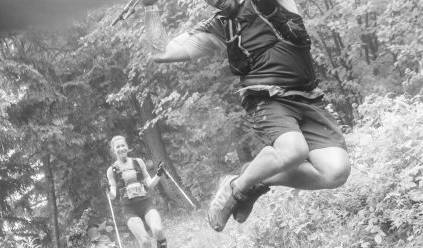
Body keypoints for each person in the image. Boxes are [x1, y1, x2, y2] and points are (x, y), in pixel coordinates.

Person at [147, 0, 351, 232]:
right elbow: (161, 52)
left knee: (336, 172)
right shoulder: (220, 26)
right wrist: (150, 7)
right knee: (294, 150)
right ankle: (235, 190)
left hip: (308, 96)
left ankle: (251, 179)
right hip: (265, 96)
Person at [104, 135, 172, 248]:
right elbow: (113, 195)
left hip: (145, 203)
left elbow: (150, 184)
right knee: (145, 241)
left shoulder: (138, 162)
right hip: (129, 209)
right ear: (114, 150)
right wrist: (107, 189)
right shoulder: (112, 170)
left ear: (127, 146)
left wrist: (159, 173)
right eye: (118, 147)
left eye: (123, 145)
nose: (121, 148)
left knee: (158, 230)